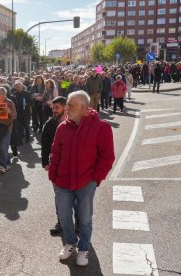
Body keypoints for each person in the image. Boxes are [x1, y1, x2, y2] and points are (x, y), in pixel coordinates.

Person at [49, 91, 115, 266]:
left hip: (86, 183)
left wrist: (95, 178)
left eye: (71, 105)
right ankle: (70, 242)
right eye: (67, 105)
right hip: (62, 181)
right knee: (63, 216)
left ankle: (84, 249)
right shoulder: (62, 127)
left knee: (84, 218)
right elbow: (55, 153)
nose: (67, 108)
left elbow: (107, 157)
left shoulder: (102, 128)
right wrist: (53, 176)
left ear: (84, 108)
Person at [40, 96, 73, 235]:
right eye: (53, 108)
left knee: (76, 195)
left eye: (57, 108)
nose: (54, 110)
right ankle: (61, 222)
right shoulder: (50, 124)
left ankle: (76, 223)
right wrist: (45, 163)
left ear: (65, 107)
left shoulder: (74, 121)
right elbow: (45, 145)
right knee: (59, 195)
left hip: (73, 164)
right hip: (56, 165)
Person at [0, 86, 17, 173]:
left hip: (7, 127)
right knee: (2, 146)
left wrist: (9, 111)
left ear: (4, 94)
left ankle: (2, 165)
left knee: (4, 146)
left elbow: (15, 115)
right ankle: (7, 162)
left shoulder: (9, 102)